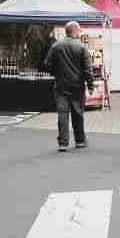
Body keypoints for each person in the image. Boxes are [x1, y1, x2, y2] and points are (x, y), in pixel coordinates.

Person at [44, 21, 95, 152]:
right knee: (78, 114)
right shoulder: (81, 47)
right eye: (79, 30)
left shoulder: (56, 46)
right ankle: (80, 140)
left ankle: (63, 142)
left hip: (61, 86)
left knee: (62, 114)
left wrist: (56, 73)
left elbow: (47, 64)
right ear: (75, 31)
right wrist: (90, 85)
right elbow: (87, 69)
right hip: (77, 86)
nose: (80, 33)